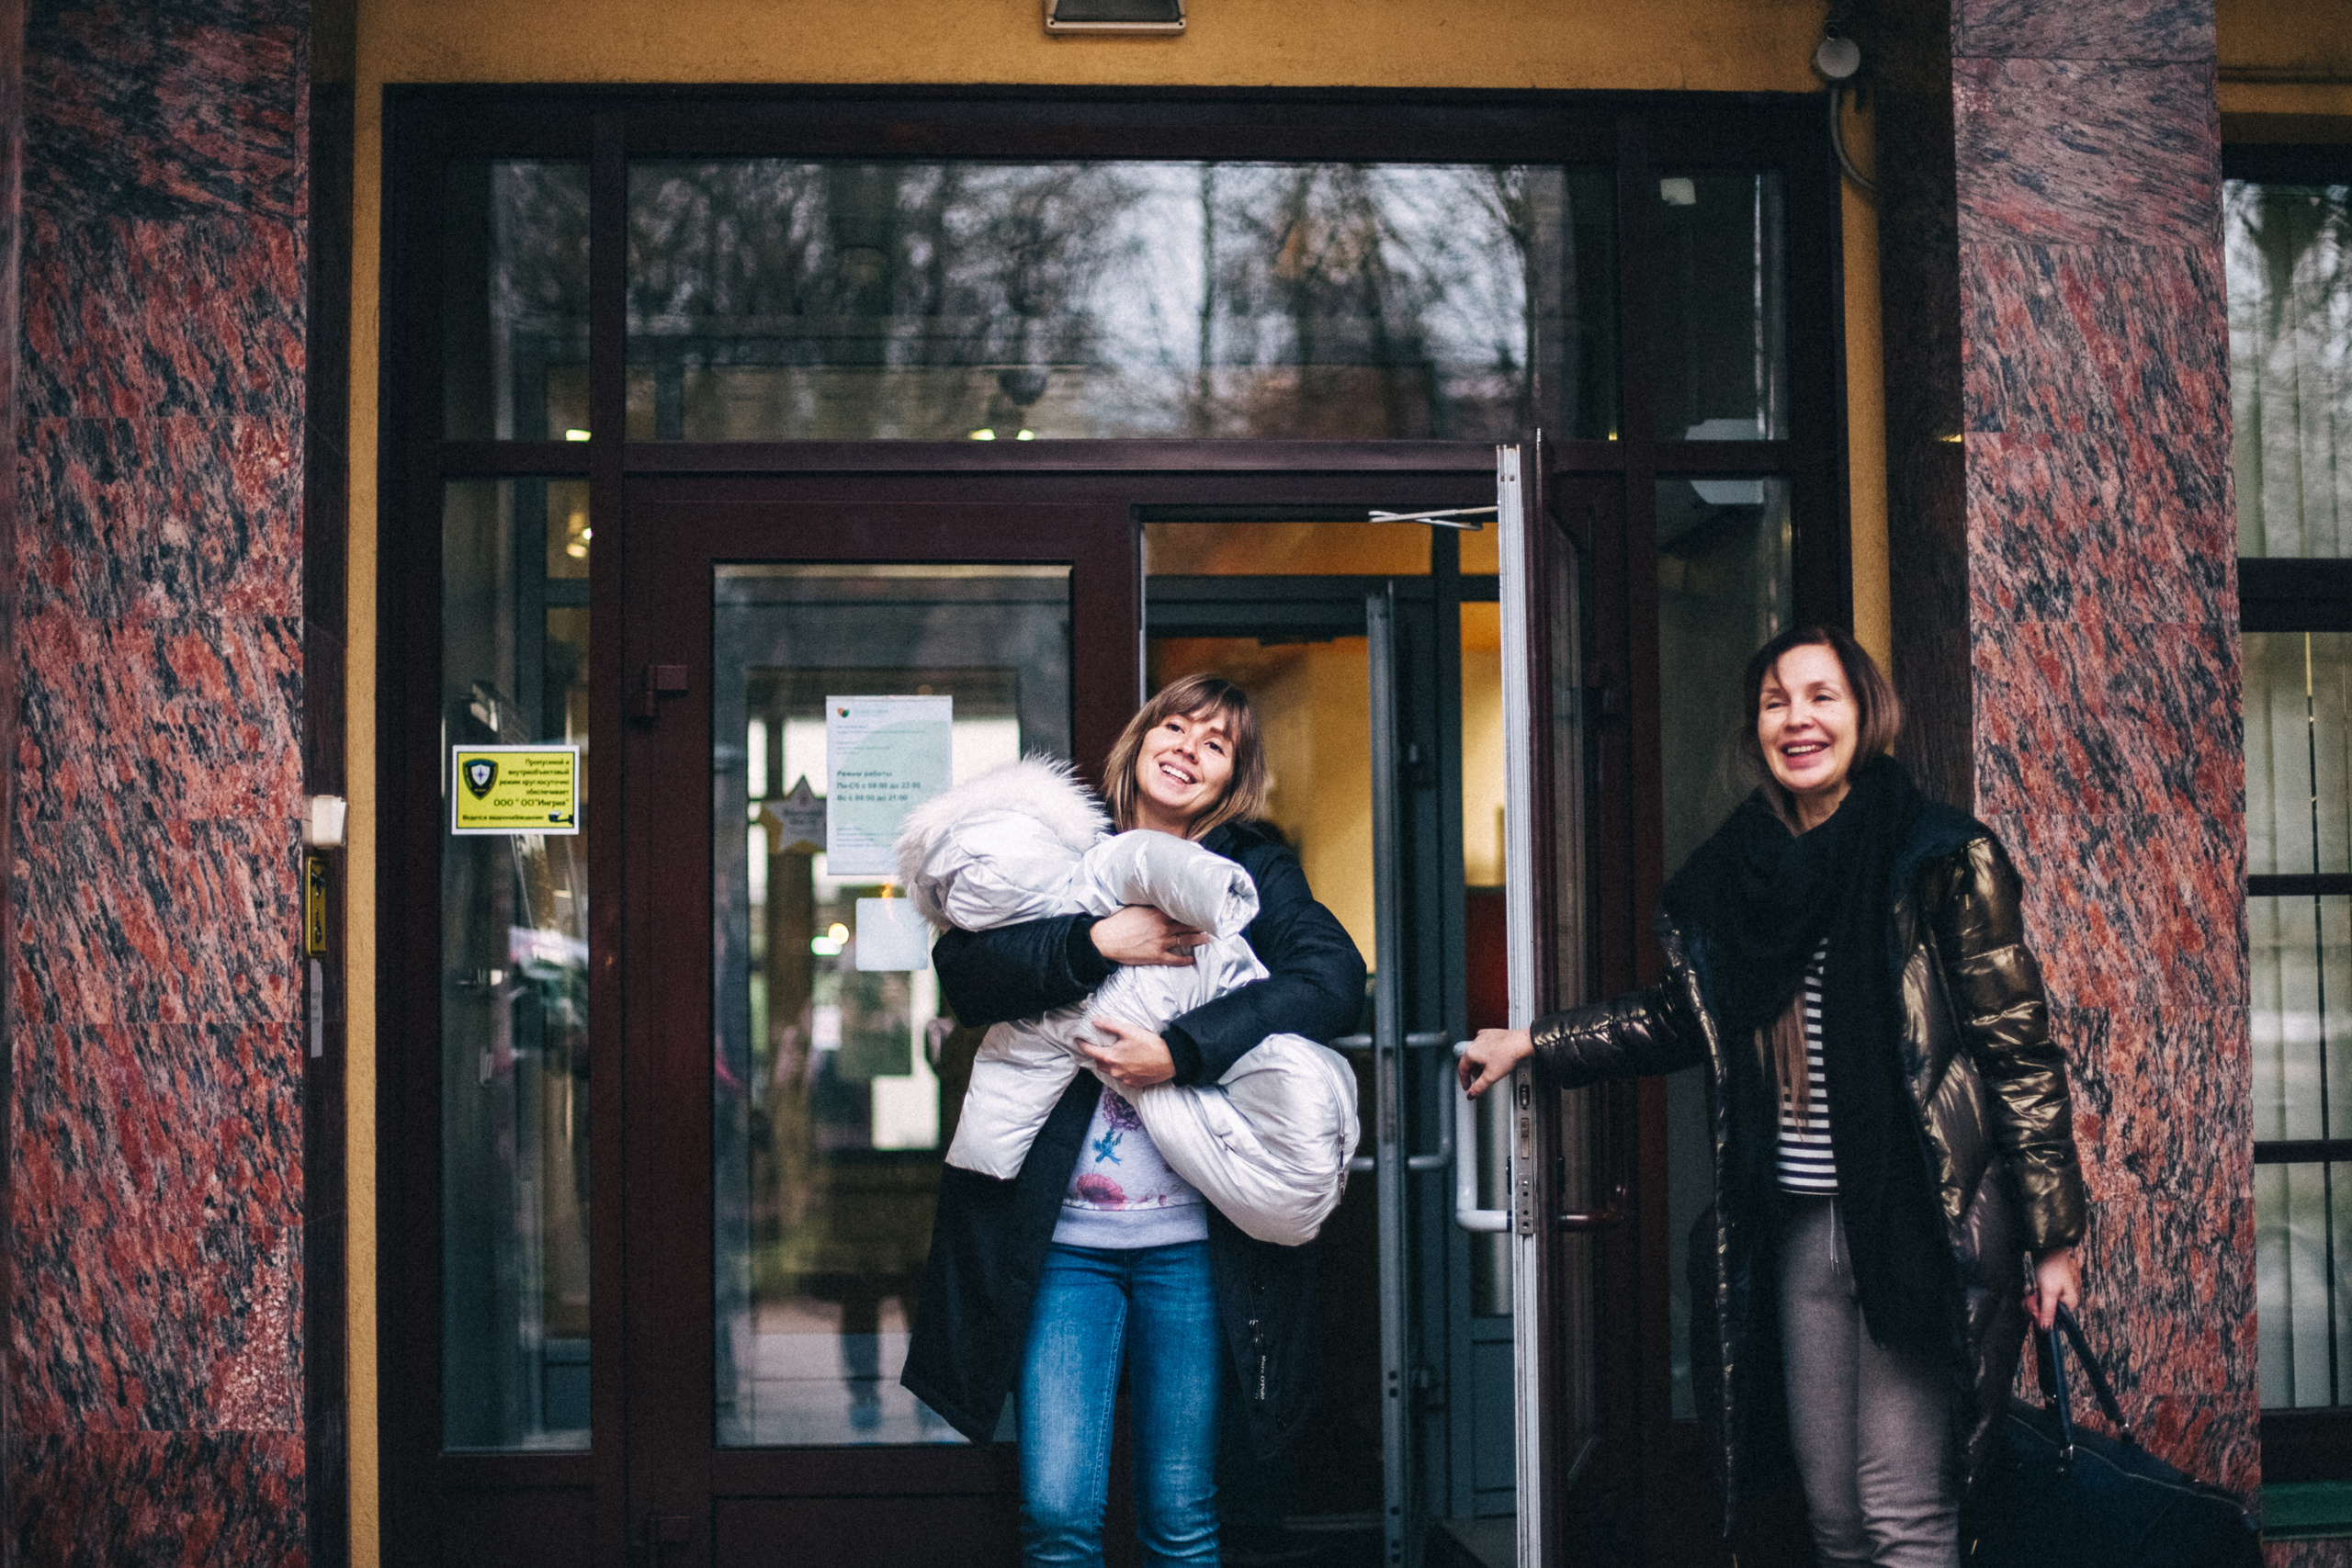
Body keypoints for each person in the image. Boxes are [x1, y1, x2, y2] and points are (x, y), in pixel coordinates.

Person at [1458, 626, 2087, 1567]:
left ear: (1863, 712)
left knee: (1902, 1516)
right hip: (1793, 1229)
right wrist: (1539, 1042)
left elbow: (2017, 1052)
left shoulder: (1940, 857)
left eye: (1820, 696)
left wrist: (2053, 1236)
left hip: (1917, 1229)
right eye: (1775, 701)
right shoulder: (1737, 875)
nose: (1797, 719)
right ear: (1755, 727)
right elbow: (1681, 1020)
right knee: (1830, 1517)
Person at [902, 673, 1366, 1568]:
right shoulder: (1060, 854)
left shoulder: (1253, 872)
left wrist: (1181, 1050)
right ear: (1139, 740)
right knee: (1058, 1519)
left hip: (1192, 1250)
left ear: (1234, 776)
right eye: (1176, 724)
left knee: (1182, 1520)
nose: (1189, 745)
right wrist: (1096, 941)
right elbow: (968, 974)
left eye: (1217, 741)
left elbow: (1330, 980)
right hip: (1060, 1248)